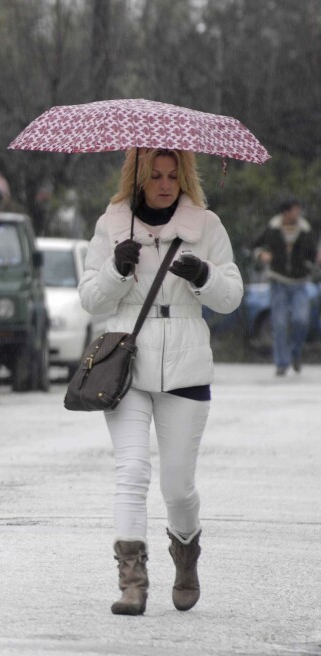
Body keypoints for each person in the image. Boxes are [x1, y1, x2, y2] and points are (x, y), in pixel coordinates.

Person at [79, 147, 243, 616]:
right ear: (138, 177)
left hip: (186, 364)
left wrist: (204, 275)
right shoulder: (112, 224)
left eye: (173, 174)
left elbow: (232, 297)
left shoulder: (205, 226)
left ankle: (186, 553)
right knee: (130, 473)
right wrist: (116, 269)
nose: (165, 183)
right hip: (126, 360)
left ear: (184, 176)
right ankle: (132, 582)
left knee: (176, 486)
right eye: (155, 175)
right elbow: (91, 299)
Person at [250, 198, 318, 375]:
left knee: (301, 320)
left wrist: (315, 260)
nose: (298, 214)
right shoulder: (273, 228)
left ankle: (295, 353)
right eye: (294, 210)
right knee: (279, 323)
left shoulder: (305, 230)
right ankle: (281, 363)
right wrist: (261, 255)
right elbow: (255, 245)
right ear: (285, 213)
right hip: (278, 281)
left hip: (299, 282)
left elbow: (312, 254)